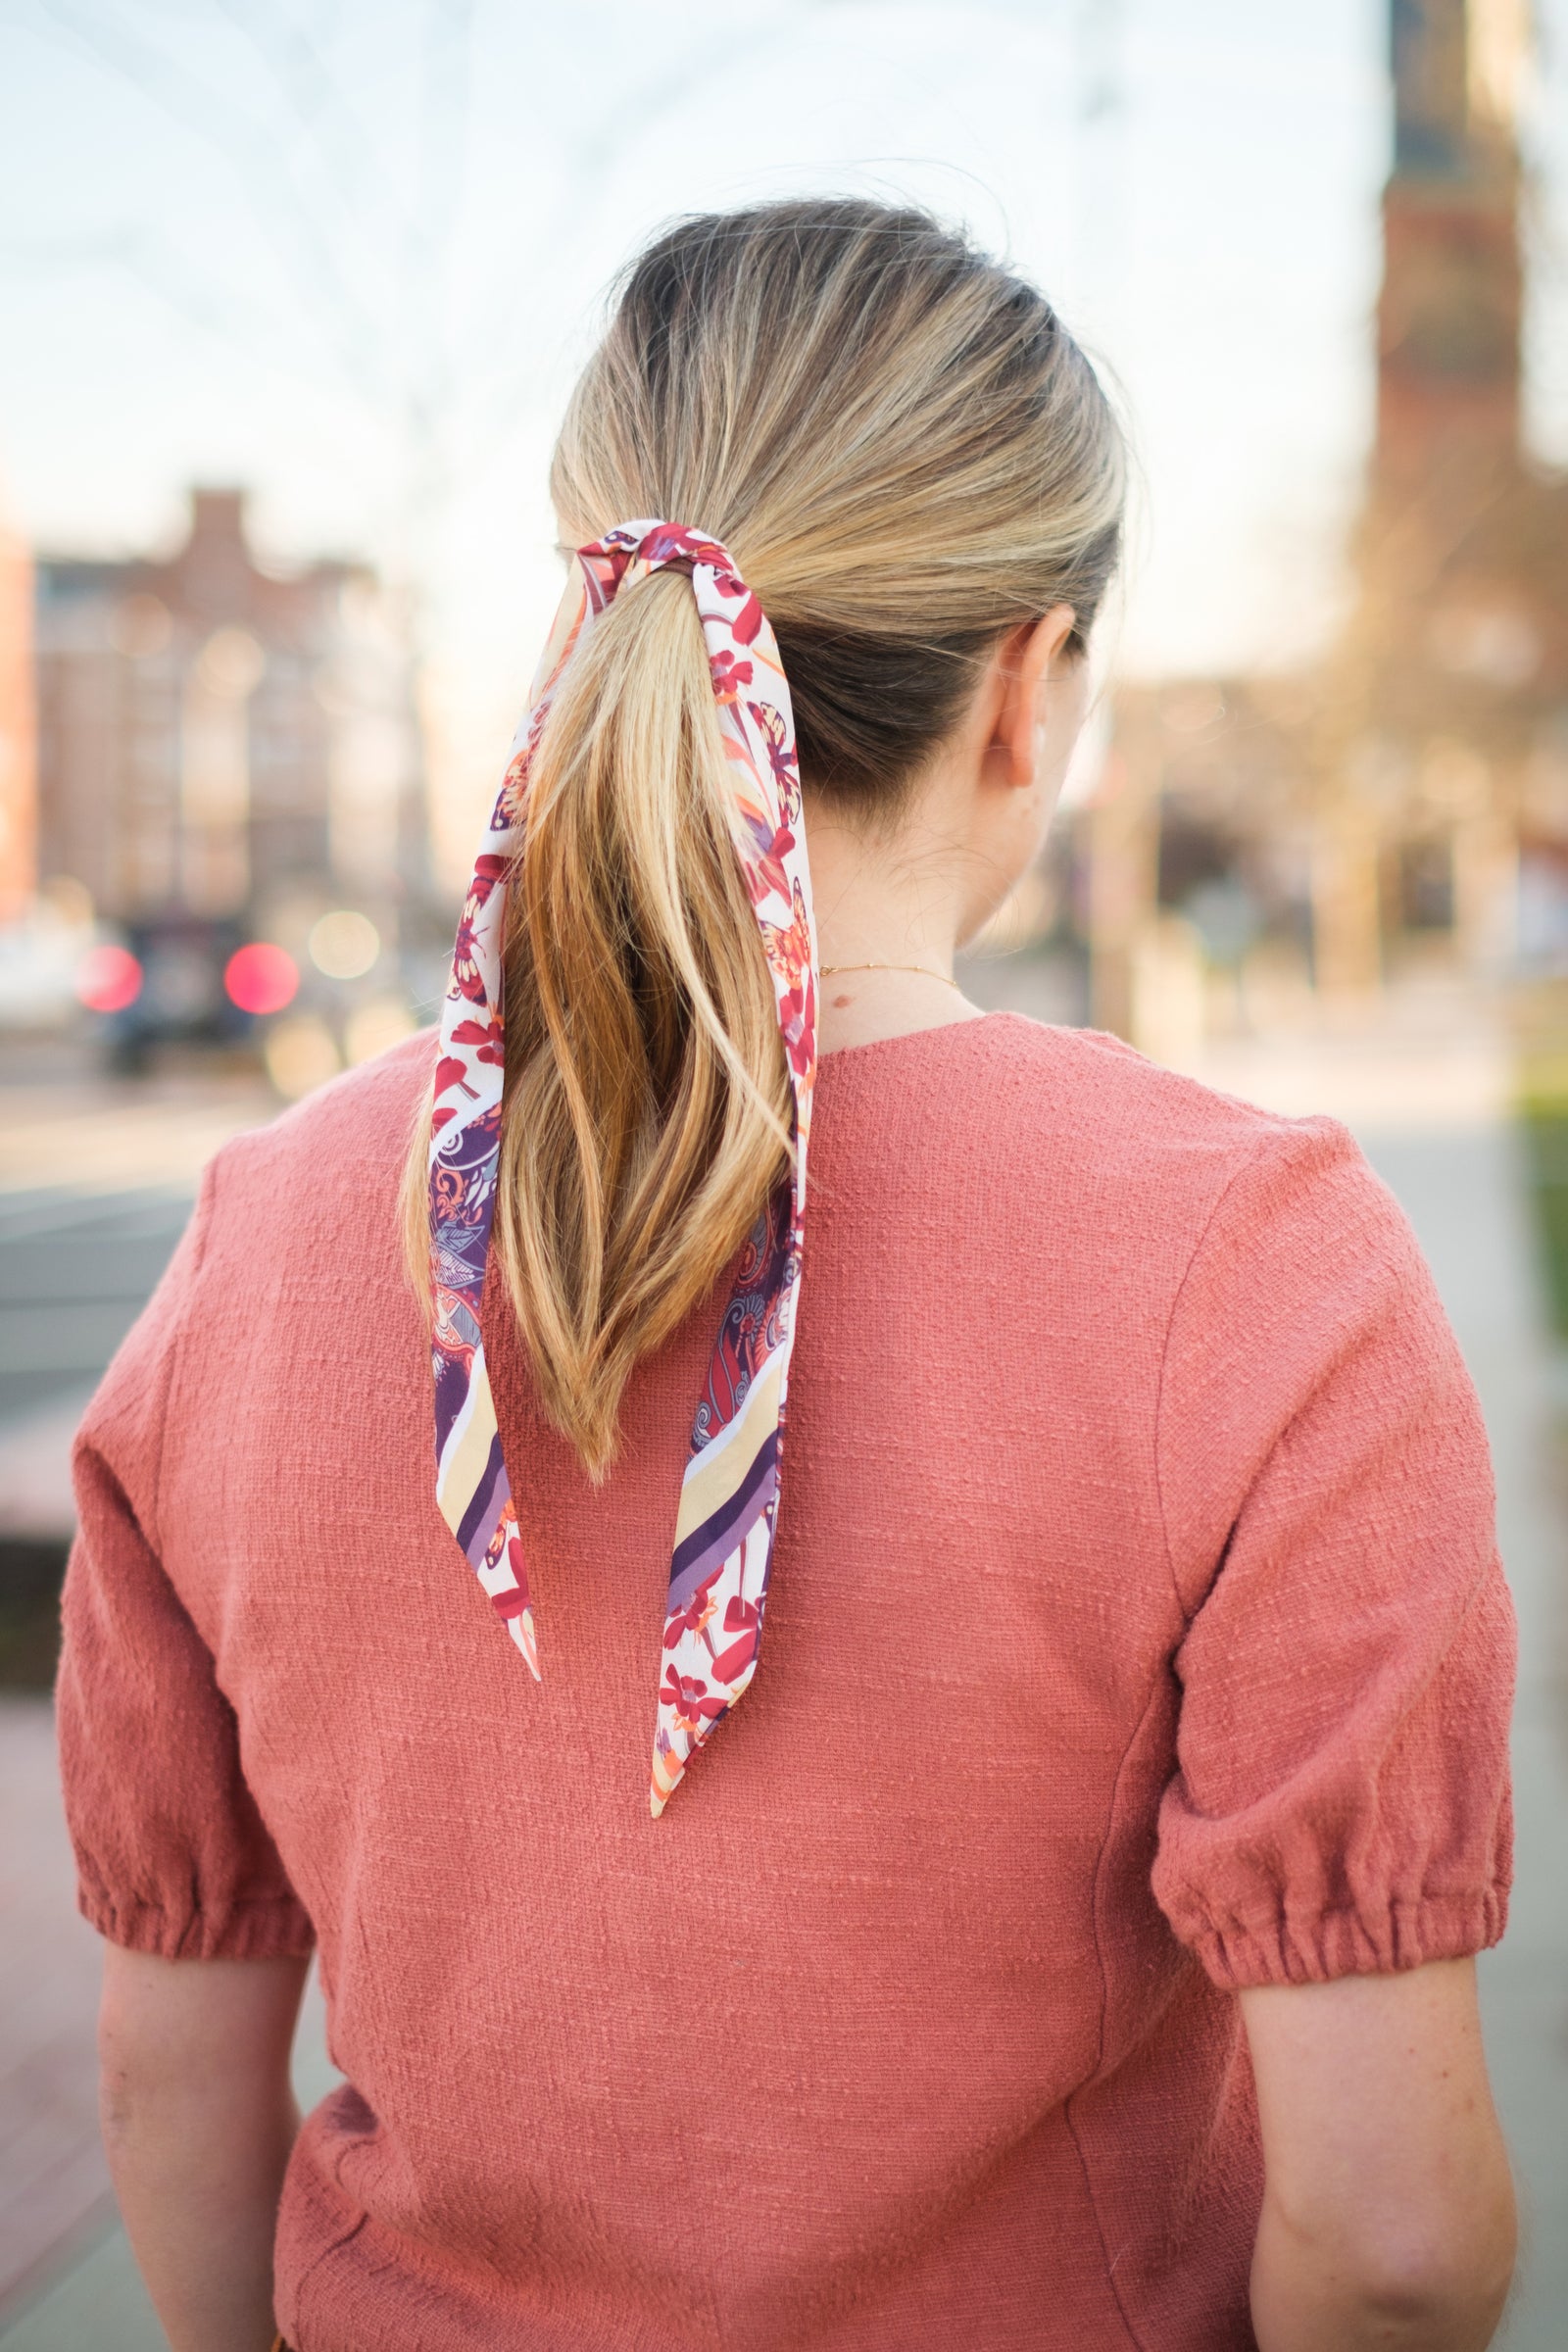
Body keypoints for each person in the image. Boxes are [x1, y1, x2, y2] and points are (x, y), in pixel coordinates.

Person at [59, 200, 1517, 2352]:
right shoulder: (1253, 1267)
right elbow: (1390, 2247)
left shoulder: (266, 1236)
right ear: (1030, 689)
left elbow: (169, 2067)